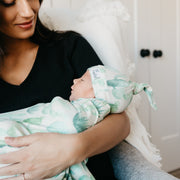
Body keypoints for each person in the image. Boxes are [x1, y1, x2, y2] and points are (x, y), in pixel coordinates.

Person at [0, 0, 178, 180]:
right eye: (8, 2)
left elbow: (121, 122)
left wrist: (70, 150)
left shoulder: (69, 46)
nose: (28, 11)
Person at [0, 65, 157, 179]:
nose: (75, 80)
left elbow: (122, 122)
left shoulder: (71, 46)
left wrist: (73, 149)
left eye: (82, 80)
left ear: (96, 94)